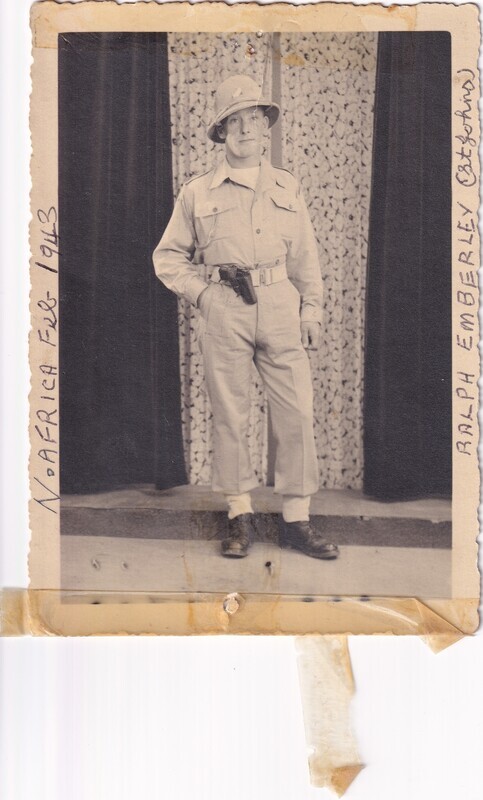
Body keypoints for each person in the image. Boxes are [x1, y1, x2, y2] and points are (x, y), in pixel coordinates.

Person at [153, 74, 339, 561]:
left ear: (266, 132)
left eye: (253, 122)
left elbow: (306, 259)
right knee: (231, 416)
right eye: (233, 123)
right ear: (220, 133)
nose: (244, 131)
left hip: (280, 305)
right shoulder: (198, 193)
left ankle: (297, 519)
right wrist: (204, 296)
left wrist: (312, 309)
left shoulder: (287, 187)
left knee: (296, 413)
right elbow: (168, 258)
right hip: (225, 310)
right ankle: (239, 514)